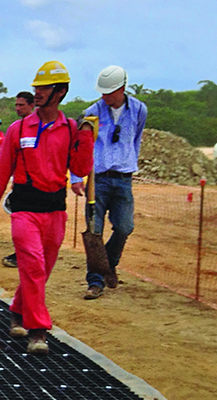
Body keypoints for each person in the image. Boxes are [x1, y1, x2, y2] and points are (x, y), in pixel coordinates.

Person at [0, 60, 93, 354]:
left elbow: (80, 167)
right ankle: (38, 331)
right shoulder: (18, 130)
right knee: (34, 267)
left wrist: (86, 138)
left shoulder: (69, 128)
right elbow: (1, 174)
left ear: (60, 92)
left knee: (41, 270)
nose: (37, 93)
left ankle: (17, 309)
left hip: (55, 211)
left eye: (44, 88)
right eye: (36, 88)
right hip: (25, 210)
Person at [71, 65, 148, 300]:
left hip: (123, 179)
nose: (105, 97)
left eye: (109, 93)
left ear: (122, 88)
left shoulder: (138, 110)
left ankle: (108, 267)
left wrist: (130, 165)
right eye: (102, 93)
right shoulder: (91, 113)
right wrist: (76, 178)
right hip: (98, 180)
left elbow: (136, 139)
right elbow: (79, 147)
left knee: (125, 227)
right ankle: (95, 282)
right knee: (94, 231)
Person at [1, 91, 38, 269]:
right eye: (16, 105)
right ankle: (21, 254)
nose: (17, 108)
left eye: (21, 105)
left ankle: (28, 255)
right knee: (21, 223)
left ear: (32, 105)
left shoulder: (41, 127)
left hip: (40, 187)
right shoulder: (16, 128)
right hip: (22, 185)